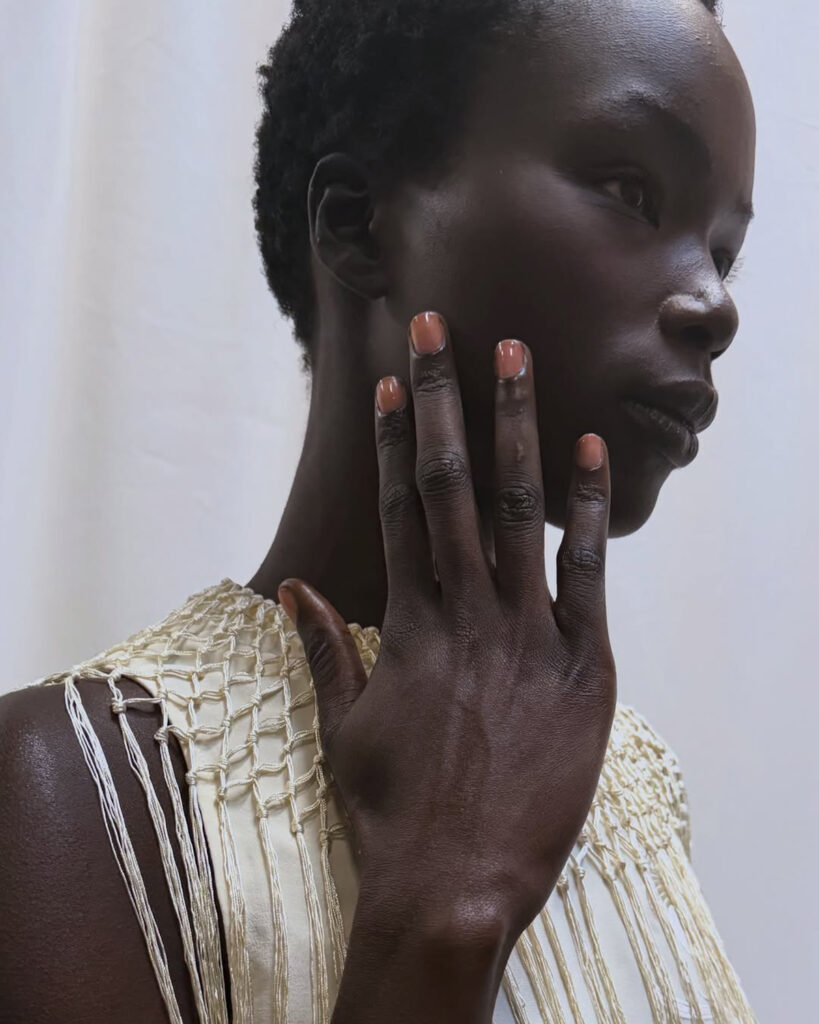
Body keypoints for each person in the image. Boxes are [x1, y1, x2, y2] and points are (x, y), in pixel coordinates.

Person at [0, 0, 758, 1021]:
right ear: (358, 224)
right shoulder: (68, 788)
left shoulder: (634, 788)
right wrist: (442, 912)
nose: (715, 305)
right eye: (631, 192)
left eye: (722, 250)